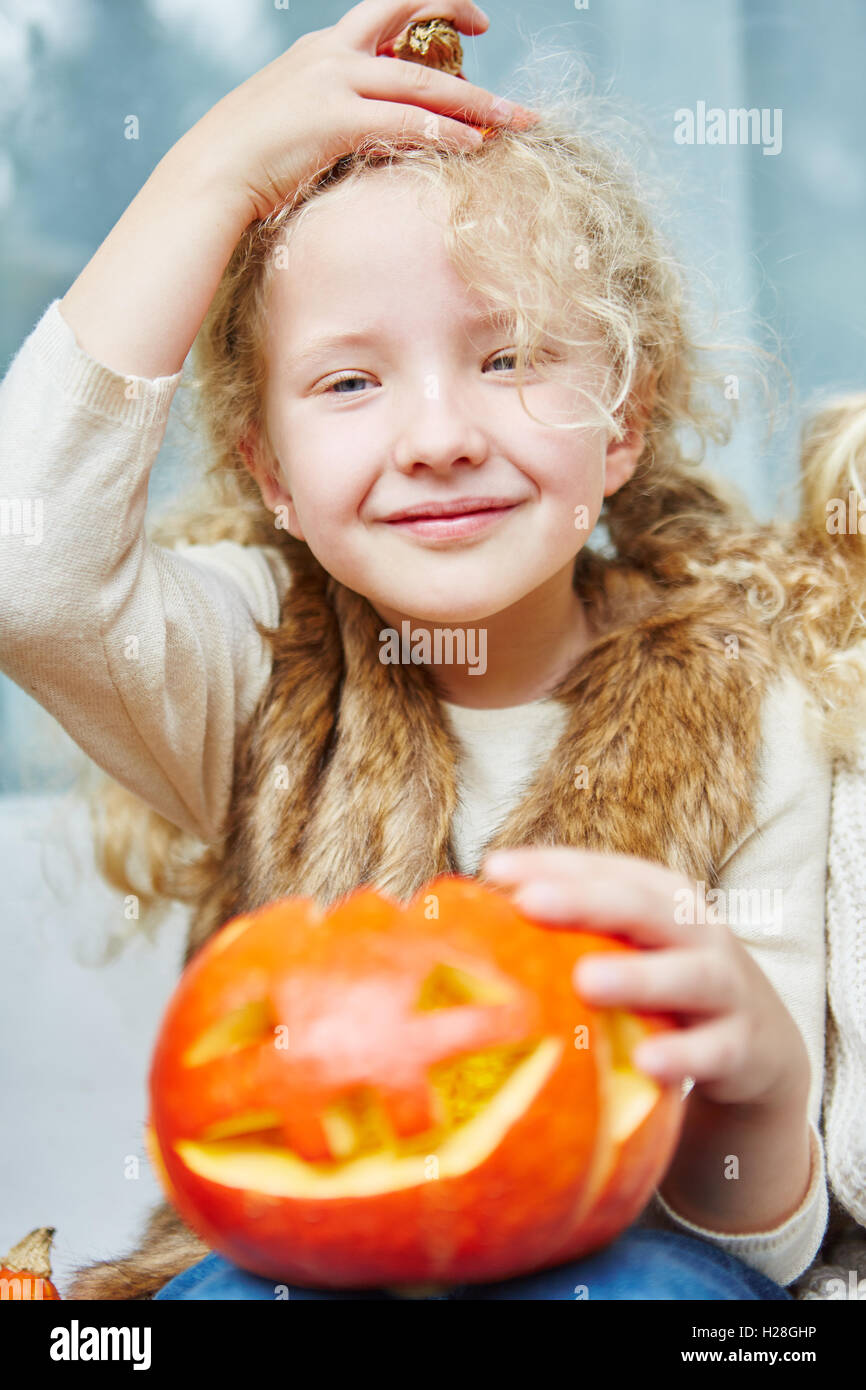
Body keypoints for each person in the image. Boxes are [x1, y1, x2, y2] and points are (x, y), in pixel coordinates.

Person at [1, 1, 864, 1301]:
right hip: (311, 1259)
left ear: (618, 426)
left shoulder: (759, 710)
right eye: (350, 382)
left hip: (624, 1263)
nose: (439, 434)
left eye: (508, 356)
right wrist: (218, 169)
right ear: (270, 473)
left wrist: (753, 1086)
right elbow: (28, 562)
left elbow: (759, 1248)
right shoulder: (247, 662)